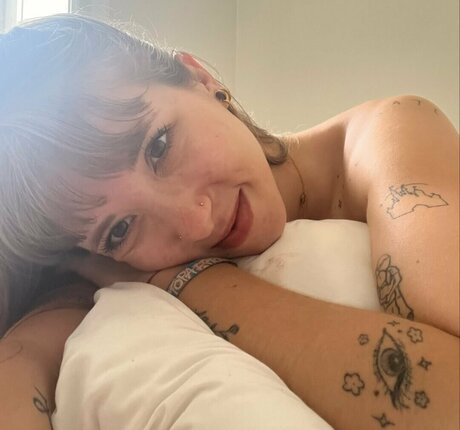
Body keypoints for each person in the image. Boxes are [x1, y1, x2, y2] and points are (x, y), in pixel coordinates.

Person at [0, 13, 458, 430]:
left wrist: (189, 282)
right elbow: (16, 372)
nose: (196, 222)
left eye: (159, 146)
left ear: (200, 78)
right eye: (120, 229)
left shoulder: (389, 135)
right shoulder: (106, 272)